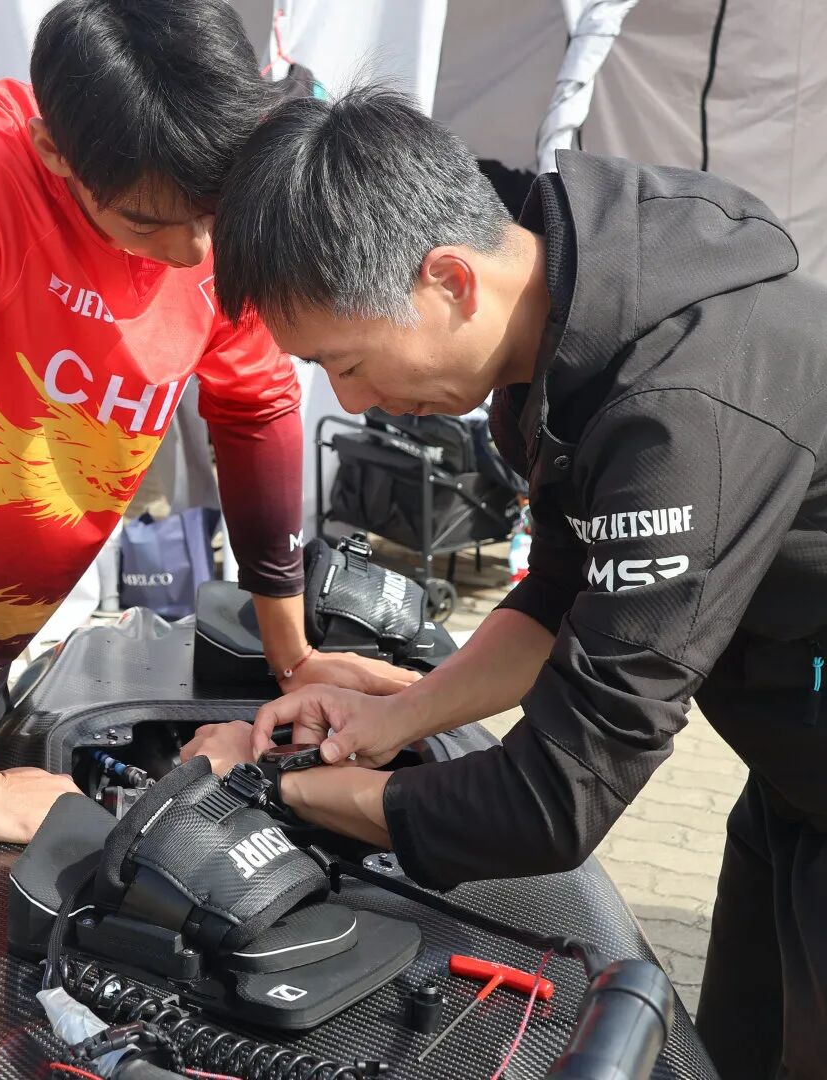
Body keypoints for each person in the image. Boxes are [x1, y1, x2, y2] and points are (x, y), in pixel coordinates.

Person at [0, 8, 417, 1079]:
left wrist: (291, 650)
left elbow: (253, 407)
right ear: (56, 153)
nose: (194, 253)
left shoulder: (209, 187)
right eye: (150, 222)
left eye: (210, 215)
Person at [182, 87, 827, 1079]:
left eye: (346, 363)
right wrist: (387, 718)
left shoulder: (679, 414)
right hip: (790, 769)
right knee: (734, 1051)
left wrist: (281, 789)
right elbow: (565, 590)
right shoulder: (567, 323)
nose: (356, 401)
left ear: (449, 279)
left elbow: (559, 798)